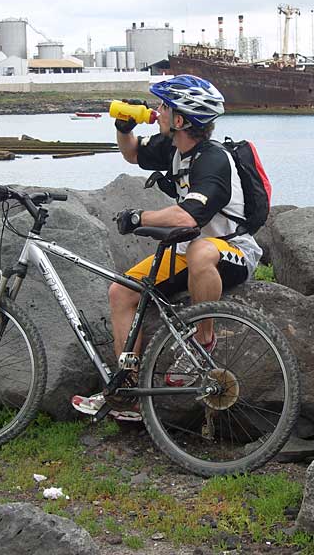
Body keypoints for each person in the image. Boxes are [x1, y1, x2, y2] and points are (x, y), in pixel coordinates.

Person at [72, 74, 262, 420]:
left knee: (201, 250)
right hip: (187, 251)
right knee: (121, 292)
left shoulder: (214, 160)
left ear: (180, 120)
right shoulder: (175, 148)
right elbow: (132, 155)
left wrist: (140, 216)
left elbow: (189, 217)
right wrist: (124, 127)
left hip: (233, 250)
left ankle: (204, 339)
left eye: (163, 107)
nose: (156, 111)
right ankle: (126, 390)